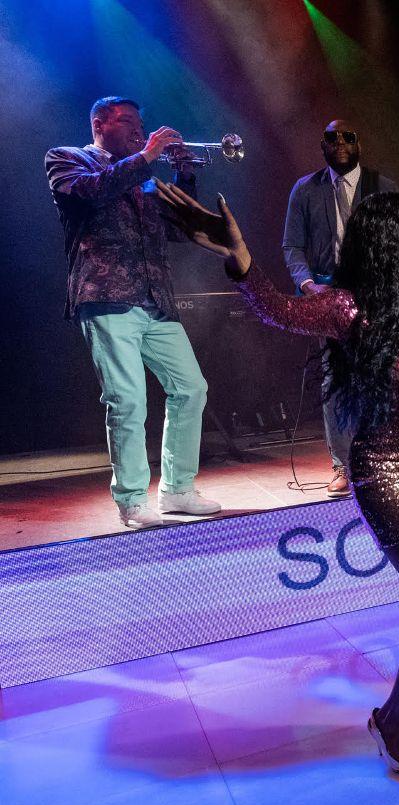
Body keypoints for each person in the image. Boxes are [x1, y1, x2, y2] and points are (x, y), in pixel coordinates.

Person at [156, 183, 399, 776]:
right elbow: (278, 308)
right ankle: (392, 718)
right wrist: (240, 256)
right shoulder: (350, 308)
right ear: (393, 239)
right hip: (388, 472)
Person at [45, 96, 220, 529]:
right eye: (127, 121)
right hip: (105, 295)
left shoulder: (144, 175)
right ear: (99, 123)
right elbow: (91, 193)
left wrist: (183, 174)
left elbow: (180, 230)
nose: (139, 131)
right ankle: (131, 500)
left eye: (140, 124)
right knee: (127, 399)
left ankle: (177, 489)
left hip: (155, 299)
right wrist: (147, 156)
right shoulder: (67, 159)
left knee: (191, 389)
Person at [282, 119, 398, 497]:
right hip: (329, 296)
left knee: (382, 375)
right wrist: (307, 285)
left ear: (359, 142)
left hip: (375, 296)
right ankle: (343, 465)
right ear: (323, 145)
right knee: (335, 378)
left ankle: (383, 458)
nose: (341, 143)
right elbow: (292, 246)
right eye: (332, 138)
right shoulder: (306, 189)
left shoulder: (382, 187)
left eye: (348, 136)